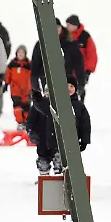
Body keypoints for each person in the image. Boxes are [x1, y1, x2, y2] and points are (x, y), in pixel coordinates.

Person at [29, 19, 86, 175]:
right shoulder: (41, 44)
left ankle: (60, 160)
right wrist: (35, 86)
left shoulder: (69, 43)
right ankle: (46, 163)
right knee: (46, 117)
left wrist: (80, 83)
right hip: (45, 83)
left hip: (67, 86)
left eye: (57, 27)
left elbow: (78, 63)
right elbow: (35, 65)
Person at [64, 15, 97, 99]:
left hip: (79, 74)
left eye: (69, 25)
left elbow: (92, 55)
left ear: (75, 25)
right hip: (66, 73)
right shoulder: (64, 36)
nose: (67, 27)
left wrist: (87, 72)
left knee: (77, 98)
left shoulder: (85, 37)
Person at [4, 45, 33, 128]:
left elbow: (33, 76)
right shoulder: (12, 64)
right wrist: (6, 84)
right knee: (17, 105)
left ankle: (26, 122)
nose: (20, 54)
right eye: (19, 52)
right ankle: (20, 122)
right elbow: (7, 75)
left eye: (22, 53)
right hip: (15, 89)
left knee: (26, 107)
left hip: (27, 90)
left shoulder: (29, 64)